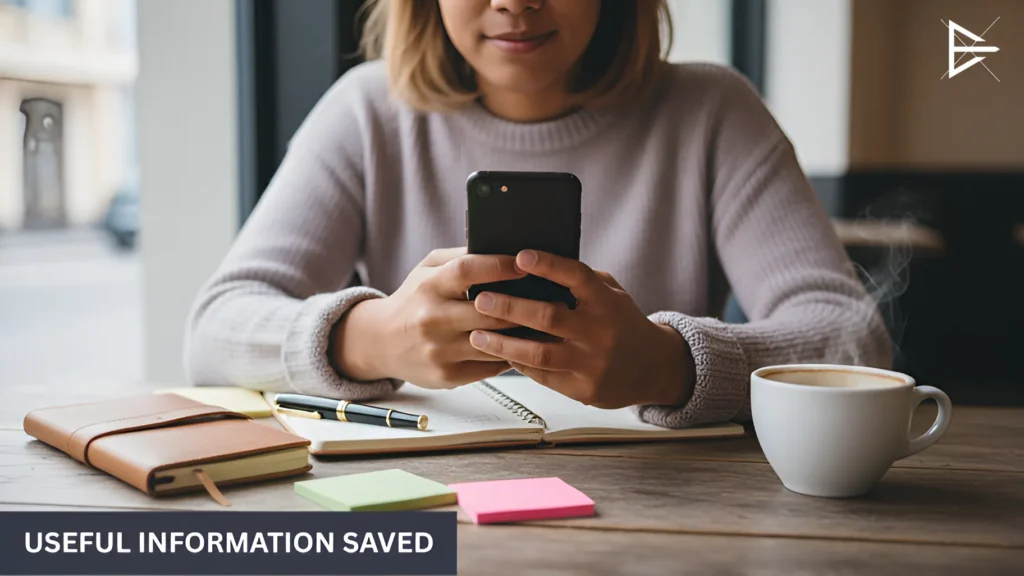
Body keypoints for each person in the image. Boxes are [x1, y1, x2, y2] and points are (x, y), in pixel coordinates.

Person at [184, 0, 891, 427]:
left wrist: (671, 366)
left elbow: (853, 339)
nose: (515, 2)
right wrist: (369, 338)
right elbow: (214, 331)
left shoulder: (712, 113)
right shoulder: (365, 113)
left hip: (664, 511)